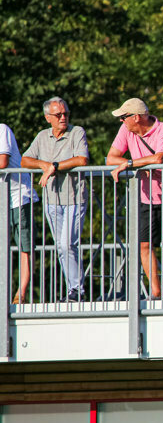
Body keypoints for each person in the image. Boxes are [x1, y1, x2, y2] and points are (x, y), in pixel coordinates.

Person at [106, 97, 163, 299]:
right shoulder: (125, 130)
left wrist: (129, 164)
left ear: (136, 117)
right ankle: (155, 292)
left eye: (123, 117)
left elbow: (158, 158)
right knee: (144, 244)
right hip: (147, 195)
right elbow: (111, 157)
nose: (121, 121)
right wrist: (134, 163)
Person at [21, 97, 90, 302]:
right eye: (58, 115)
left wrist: (55, 166)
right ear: (47, 117)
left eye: (66, 113)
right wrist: (44, 164)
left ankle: (78, 290)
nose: (63, 117)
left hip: (74, 197)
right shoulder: (43, 136)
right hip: (52, 199)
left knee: (68, 243)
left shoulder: (76, 132)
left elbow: (82, 159)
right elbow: (25, 159)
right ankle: (73, 289)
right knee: (61, 246)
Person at [0, 123, 40, 304]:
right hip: (3, 201)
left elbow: (2, 162)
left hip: (18, 197)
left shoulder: (2, 129)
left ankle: (21, 294)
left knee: (25, 248)